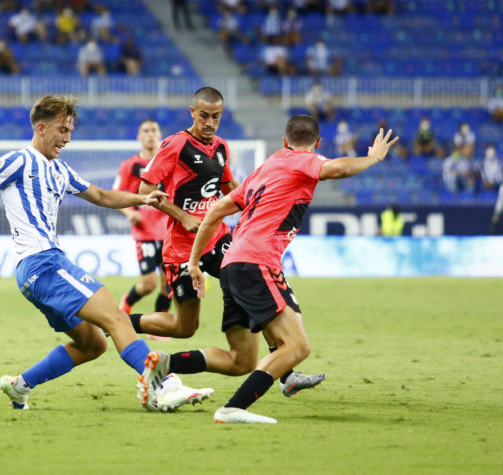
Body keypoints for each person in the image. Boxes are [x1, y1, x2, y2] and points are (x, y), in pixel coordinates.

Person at [0, 94, 212, 413]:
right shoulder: (19, 161)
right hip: (44, 264)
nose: (67, 138)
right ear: (41, 128)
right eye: (62, 130)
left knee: (93, 344)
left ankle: (20, 386)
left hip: (35, 275)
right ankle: (164, 386)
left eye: (70, 131)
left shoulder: (60, 170)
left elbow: (99, 194)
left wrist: (144, 199)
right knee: (116, 317)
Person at [142, 117, 399, 423]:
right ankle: (233, 409)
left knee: (241, 360)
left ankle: (165, 363)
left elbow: (214, 211)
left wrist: (196, 262)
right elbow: (339, 169)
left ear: (283, 141)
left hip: (233, 264)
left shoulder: (267, 167)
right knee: (298, 345)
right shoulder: (302, 161)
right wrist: (373, 158)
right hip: (256, 263)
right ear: (317, 145)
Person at [135, 88, 324, 406]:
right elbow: (145, 189)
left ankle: (286, 370)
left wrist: (259, 200)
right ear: (192, 112)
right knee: (184, 327)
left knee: (255, 285)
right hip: (182, 248)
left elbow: (231, 189)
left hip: (219, 239)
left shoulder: (221, 148)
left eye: (216, 117)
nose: (210, 123)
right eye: (204, 115)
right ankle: (123, 322)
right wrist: (182, 216)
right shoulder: (175, 144)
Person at [112, 119, 172, 337]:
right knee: (148, 284)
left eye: (154, 130)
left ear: (160, 134)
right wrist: (129, 212)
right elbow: (116, 193)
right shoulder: (130, 165)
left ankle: (160, 327)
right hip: (145, 232)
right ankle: (126, 303)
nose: (150, 134)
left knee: (169, 283)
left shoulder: (168, 162)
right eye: (145, 130)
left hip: (169, 231)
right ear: (139, 136)